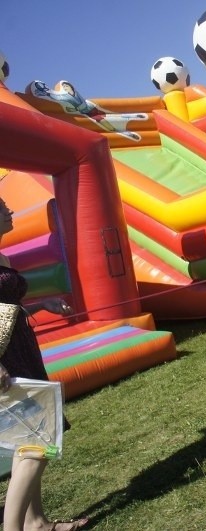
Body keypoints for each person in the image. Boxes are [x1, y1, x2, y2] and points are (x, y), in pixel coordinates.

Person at [0, 198, 89, 531]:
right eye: (3, 208)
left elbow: (6, 309)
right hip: (4, 360)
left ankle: (35, 522)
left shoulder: (3, 257)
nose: (11, 212)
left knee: (33, 440)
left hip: (22, 350)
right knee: (39, 445)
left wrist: (42, 304)